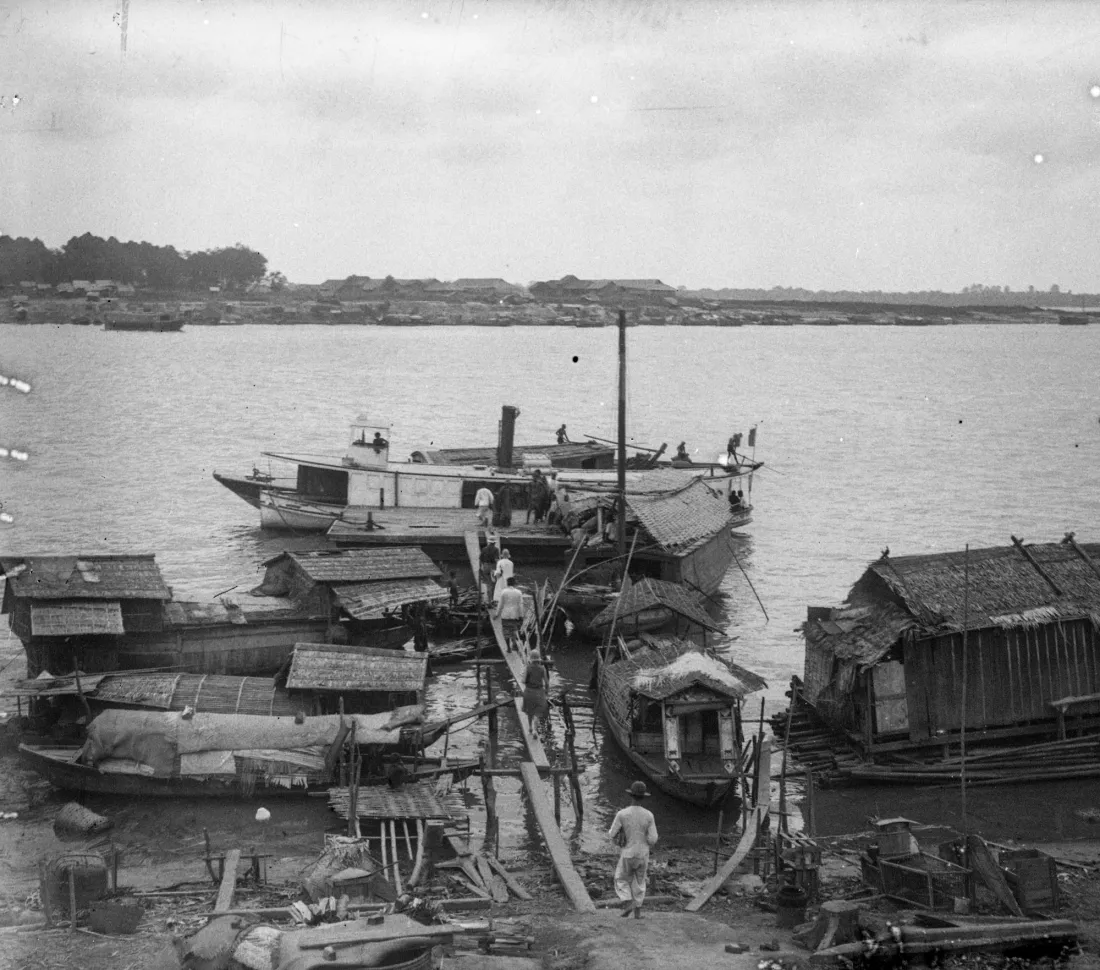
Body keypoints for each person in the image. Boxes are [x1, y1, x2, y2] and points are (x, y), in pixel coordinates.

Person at [608, 781, 659, 919]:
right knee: (640, 883)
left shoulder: (622, 814)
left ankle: (628, 902)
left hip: (628, 852)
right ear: (643, 797)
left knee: (621, 879)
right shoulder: (649, 815)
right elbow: (653, 839)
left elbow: (612, 834)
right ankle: (637, 914)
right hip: (643, 854)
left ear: (631, 795)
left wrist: (621, 834)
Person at [521, 650, 550, 734]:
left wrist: (523, 678)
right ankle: (535, 730)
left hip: (529, 692)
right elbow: (547, 683)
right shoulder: (542, 668)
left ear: (531, 659)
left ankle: (530, 727)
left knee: (530, 711)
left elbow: (523, 681)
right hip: (539, 693)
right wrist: (546, 692)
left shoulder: (528, 668)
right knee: (537, 713)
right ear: (538, 659)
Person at [494, 576, 524, 650]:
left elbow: (500, 604)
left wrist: (497, 614)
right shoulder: (518, 592)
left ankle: (508, 648)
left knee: (506, 632)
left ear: (507, 583)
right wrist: (521, 615)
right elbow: (520, 605)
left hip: (505, 615)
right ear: (514, 583)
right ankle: (514, 644)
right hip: (515, 615)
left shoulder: (504, 592)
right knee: (514, 630)